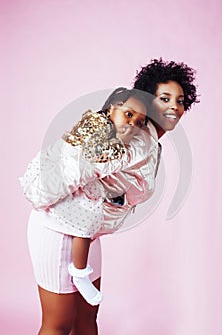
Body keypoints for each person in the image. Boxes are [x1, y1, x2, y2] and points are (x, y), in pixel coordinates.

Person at [24, 58, 199, 335]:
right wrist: (39, 193)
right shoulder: (132, 139)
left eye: (180, 100)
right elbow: (79, 163)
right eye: (164, 98)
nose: (174, 107)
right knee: (59, 324)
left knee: (86, 320)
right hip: (56, 227)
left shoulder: (148, 139)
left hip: (86, 231)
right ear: (147, 99)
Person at [20, 88, 156, 308]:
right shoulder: (97, 126)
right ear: (112, 108)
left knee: (89, 221)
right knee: (86, 219)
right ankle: (79, 272)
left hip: (85, 198)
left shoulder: (129, 143)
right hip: (58, 212)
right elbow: (87, 158)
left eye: (139, 122)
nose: (132, 124)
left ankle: (80, 271)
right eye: (128, 115)